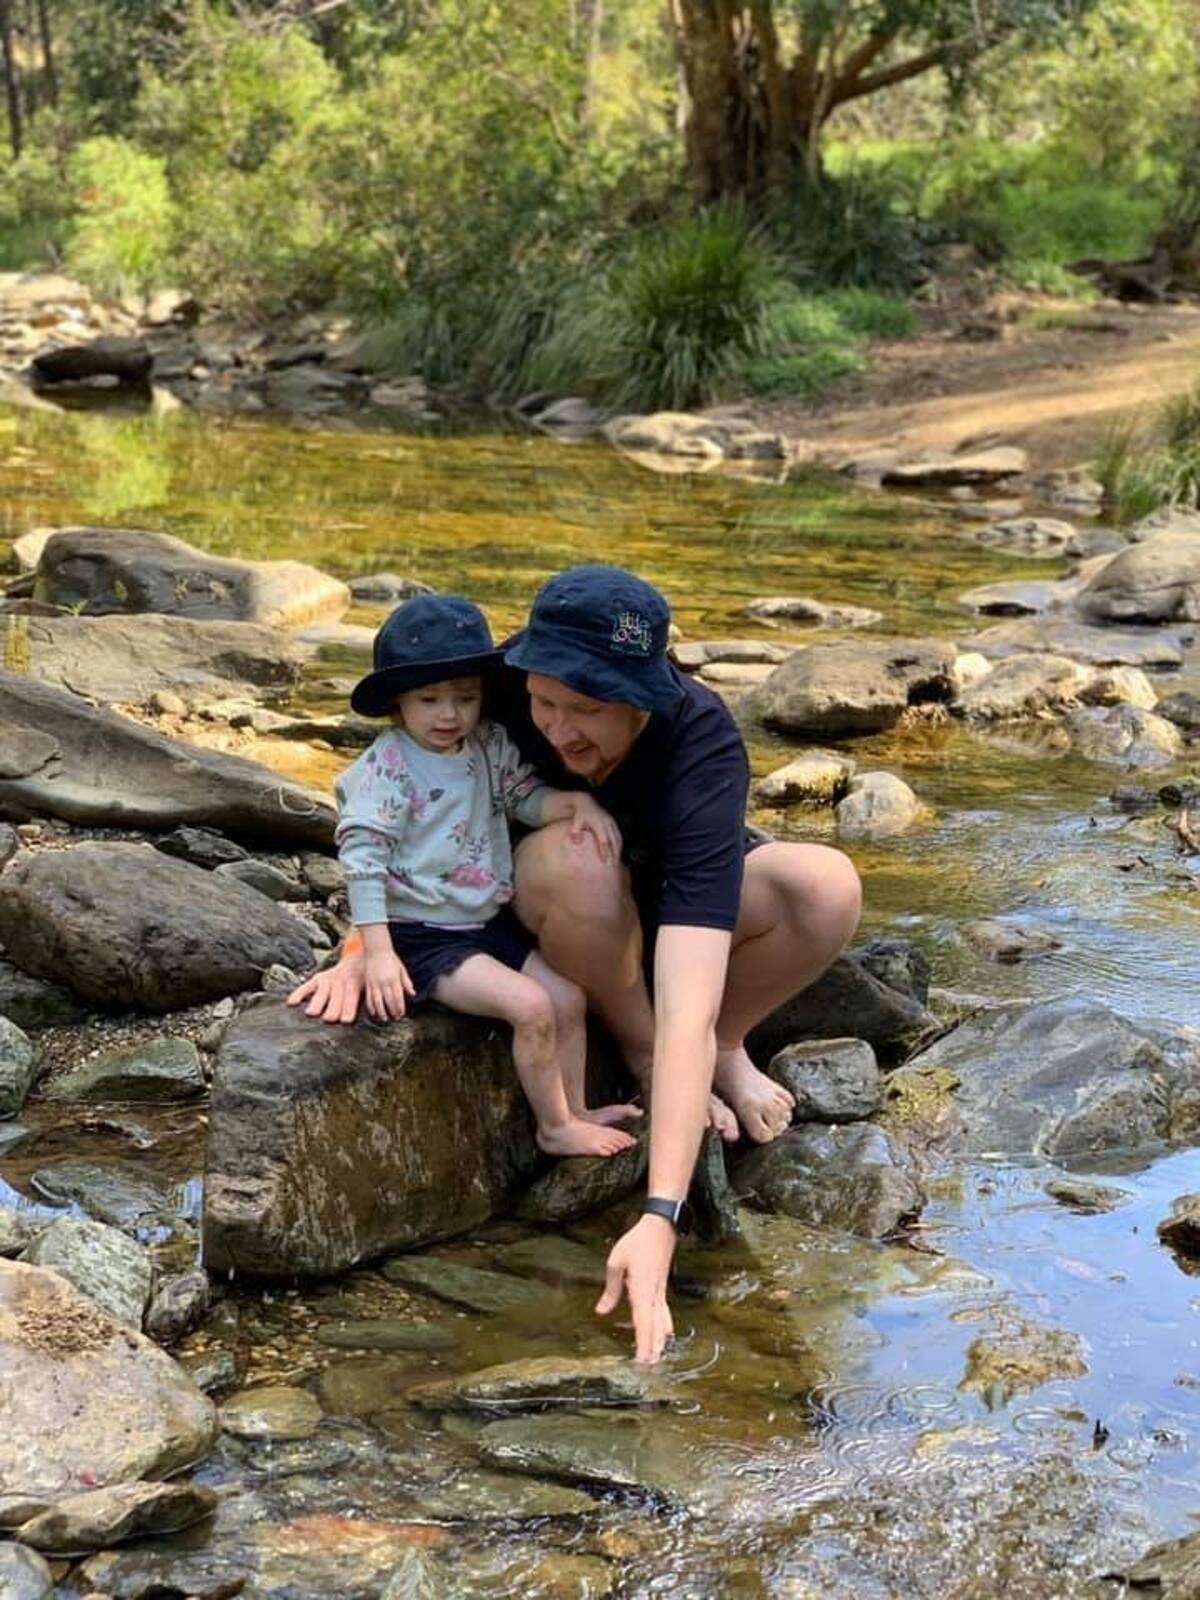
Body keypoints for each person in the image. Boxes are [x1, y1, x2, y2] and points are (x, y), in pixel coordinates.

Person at [291, 567, 862, 1362]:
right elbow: (399, 808)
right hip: (547, 907)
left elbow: (691, 993)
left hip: (668, 906)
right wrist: (365, 946)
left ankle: (725, 1047)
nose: (560, 731)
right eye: (546, 704)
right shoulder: (494, 691)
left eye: (588, 710)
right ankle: (642, 1049)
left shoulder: (699, 741)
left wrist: (658, 1215)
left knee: (824, 887)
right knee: (578, 861)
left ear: (642, 700)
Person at [334, 591, 639, 1161]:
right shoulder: (388, 766)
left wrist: (575, 805)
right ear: (399, 701)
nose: (449, 715)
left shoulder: (487, 745)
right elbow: (363, 860)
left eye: (466, 698)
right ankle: (554, 1128)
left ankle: (576, 1108)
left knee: (568, 997)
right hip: (420, 935)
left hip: (485, 922)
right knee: (531, 1007)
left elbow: (523, 798)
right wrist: (376, 952)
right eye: (429, 700)